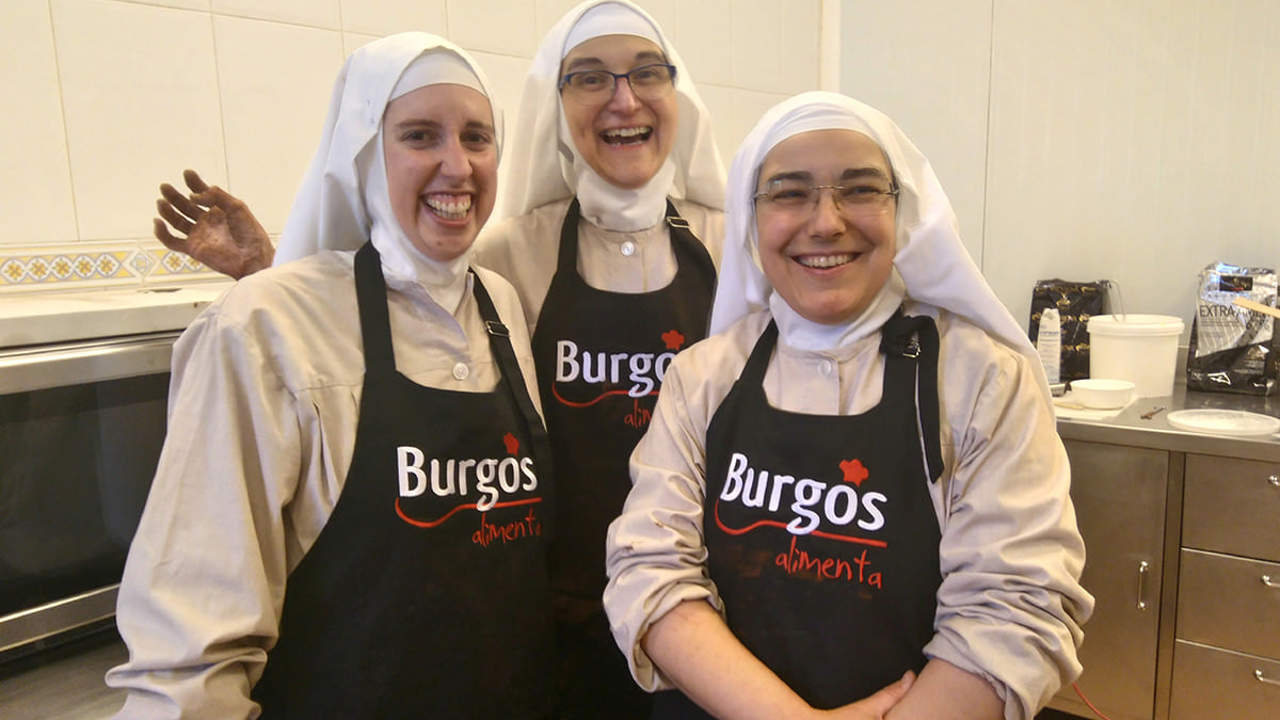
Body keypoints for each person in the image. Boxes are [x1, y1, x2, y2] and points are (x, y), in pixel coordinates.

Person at [105, 33, 557, 719]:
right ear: (365, 154)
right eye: (419, 135)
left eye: (476, 136)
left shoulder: (502, 305)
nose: (457, 165)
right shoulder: (262, 324)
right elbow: (190, 643)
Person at [602, 91, 1093, 720]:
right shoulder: (703, 376)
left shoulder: (983, 380)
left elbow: (1015, 607)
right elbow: (649, 571)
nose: (827, 221)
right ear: (752, 219)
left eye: (860, 189)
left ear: (902, 210)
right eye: (789, 192)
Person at [469, 3, 725, 715]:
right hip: (557, 614)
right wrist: (264, 272)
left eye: (648, 73)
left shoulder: (735, 245)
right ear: (554, 104)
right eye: (589, 79)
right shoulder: (507, 252)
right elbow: (404, 339)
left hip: (709, 611)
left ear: (679, 96)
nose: (623, 98)